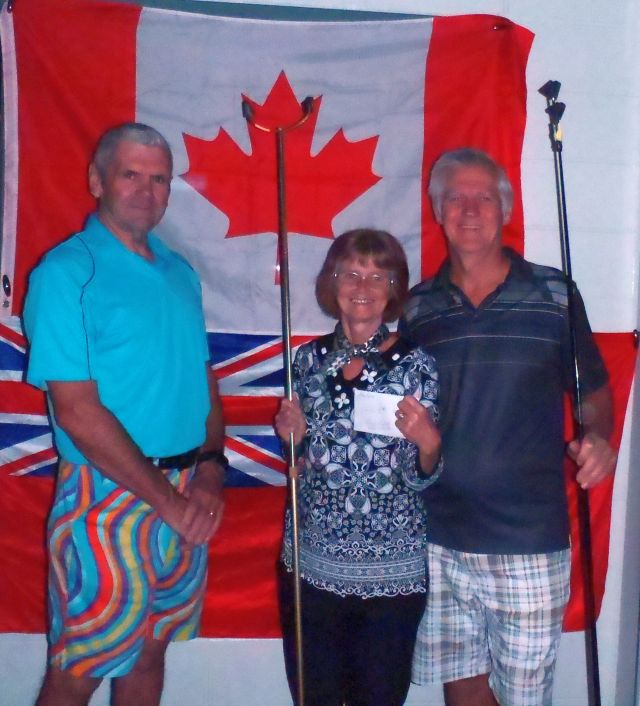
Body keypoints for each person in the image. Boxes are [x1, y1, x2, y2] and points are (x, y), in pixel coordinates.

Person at [400, 148, 617, 706]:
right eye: (456, 198)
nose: (470, 210)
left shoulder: (555, 295)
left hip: (528, 541)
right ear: (438, 210)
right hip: (440, 536)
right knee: (463, 691)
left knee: (524, 698)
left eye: (484, 198)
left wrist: (598, 436)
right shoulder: (418, 308)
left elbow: (592, 391)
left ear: (506, 209)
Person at [23, 123, 227, 706]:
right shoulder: (66, 273)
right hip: (105, 496)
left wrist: (211, 470)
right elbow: (77, 412)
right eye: (130, 174)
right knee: (80, 669)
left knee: (149, 654)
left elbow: (202, 381)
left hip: (187, 491)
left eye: (159, 179)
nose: (145, 190)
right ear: (97, 181)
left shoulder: (180, 272)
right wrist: (167, 501)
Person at [275, 228, 442, 706]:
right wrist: (291, 437)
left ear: (394, 288)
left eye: (377, 276)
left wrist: (429, 442)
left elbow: (420, 475)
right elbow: (302, 460)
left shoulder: (416, 366)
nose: (362, 286)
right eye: (351, 273)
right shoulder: (306, 361)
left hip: (389, 574)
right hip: (311, 565)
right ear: (332, 281)